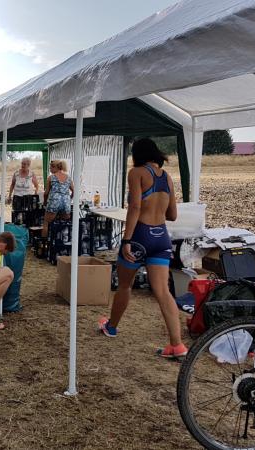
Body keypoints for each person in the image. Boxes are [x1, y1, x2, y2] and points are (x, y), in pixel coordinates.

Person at [97, 138, 186, 358]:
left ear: (137, 154)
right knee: (163, 291)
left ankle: (111, 327)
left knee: (124, 286)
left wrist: (126, 240)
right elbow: (173, 215)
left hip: (140, 236)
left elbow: (135, 207)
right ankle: (177, 345)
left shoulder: (136, 173)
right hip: (161, 237)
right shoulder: (167, 177)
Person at [41, 160, 74, 237]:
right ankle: (62, 240)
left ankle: (44, 242)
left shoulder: (51, 177)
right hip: (66, 203)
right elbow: (74, 191)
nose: (50, 170)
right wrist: (69, 199)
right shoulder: (68, 177)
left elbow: (46, 193)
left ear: (55, 167)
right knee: (64, 223)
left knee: (46, 223)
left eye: (50, 168)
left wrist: (45, 202)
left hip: (54, 202)